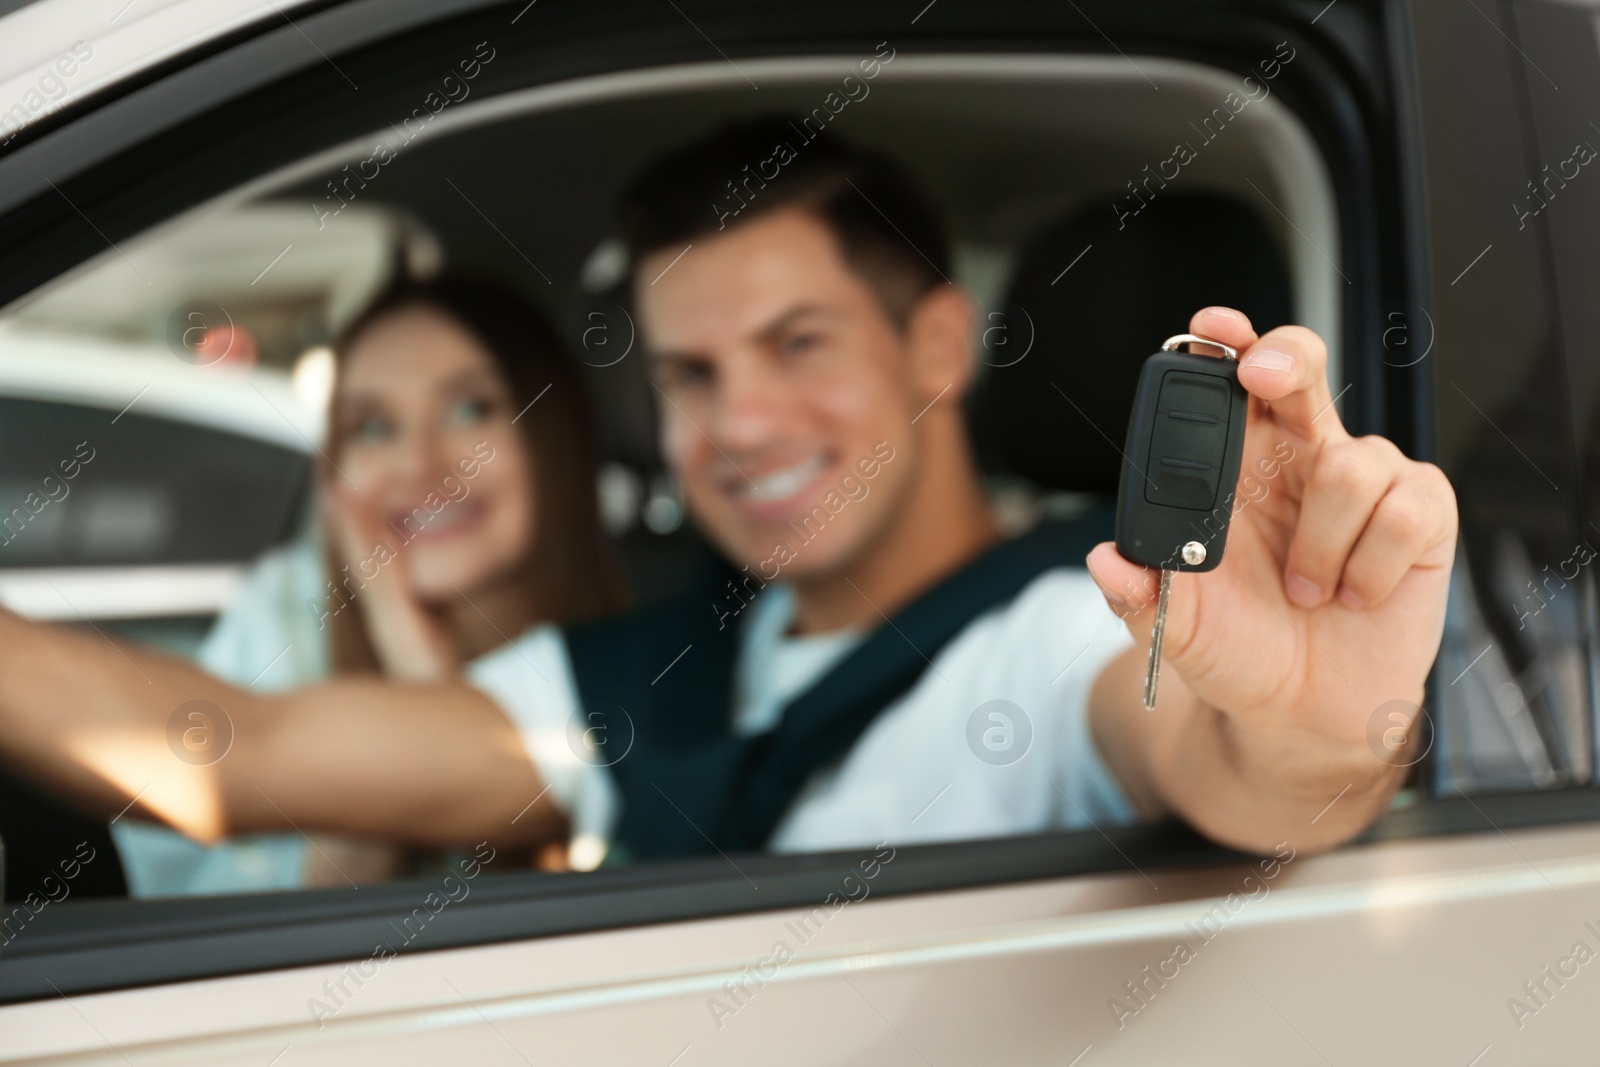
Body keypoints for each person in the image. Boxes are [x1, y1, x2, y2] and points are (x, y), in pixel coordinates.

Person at [0, 117, 1457, 871]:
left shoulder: (1065, 628)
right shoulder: (648, 663)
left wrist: (1315, 722)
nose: (740, 419)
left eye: (798, 344)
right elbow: (232, 753)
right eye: (691, 373)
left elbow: (1231, 757)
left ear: (938, 344)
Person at [108, 274, 626, 894]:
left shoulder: (634, 670)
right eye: (373, 427)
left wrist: (425, 691)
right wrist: (406, 661)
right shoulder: (283, 622)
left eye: (471, 409)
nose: (419, 465)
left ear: (552, 435)